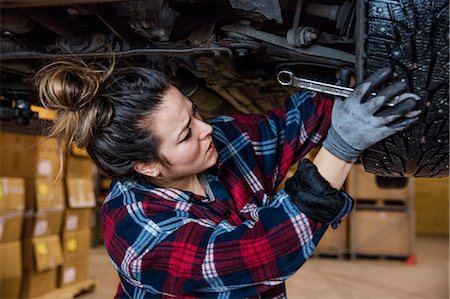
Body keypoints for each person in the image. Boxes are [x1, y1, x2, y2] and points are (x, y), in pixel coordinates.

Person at [35, 59, 420, 298]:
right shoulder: (137, 230)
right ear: (147, 166)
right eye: (185, 134)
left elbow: (289, 126)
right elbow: (265, 253)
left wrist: (351, 88)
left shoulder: (218, 142)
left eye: (194, 112)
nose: (206, 129)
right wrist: (341, 145)